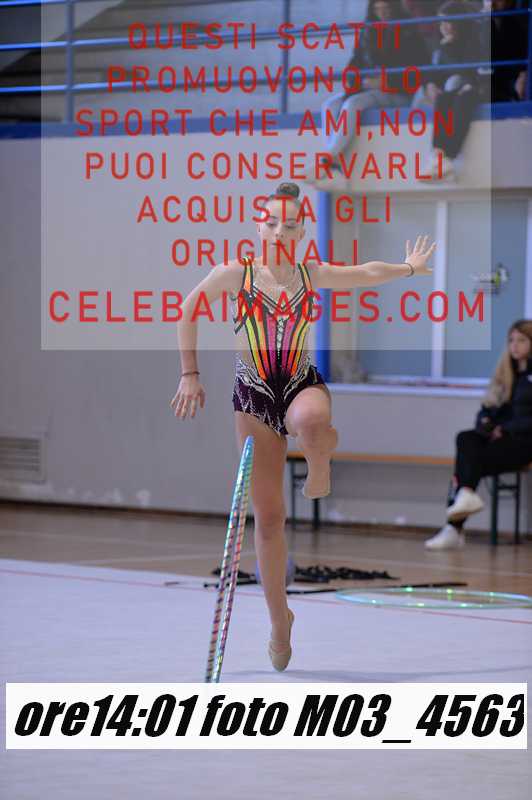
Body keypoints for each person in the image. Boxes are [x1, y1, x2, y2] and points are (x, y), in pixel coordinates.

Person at [170, 181, 436, 669]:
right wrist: (190, 374)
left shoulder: (310, 274)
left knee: (311, 419)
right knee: (270, 519)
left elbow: (364, 272)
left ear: (300, 232)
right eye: (271, 222)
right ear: (259, 226)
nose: (279, 231)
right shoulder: (236, 274)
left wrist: (408, 268)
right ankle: (280, 620)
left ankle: (318, 460)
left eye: (289, 225)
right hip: (253, 398)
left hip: (299, 383)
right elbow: (188, 308)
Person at [425, 319, 532, 550]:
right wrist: (485, 425)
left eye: (522, 340)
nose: (514, 346)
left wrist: (505, 429)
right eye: (511, 340)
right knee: (465, 438)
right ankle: (465, 496)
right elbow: (487, 409)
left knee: (467, 463)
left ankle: (454, 527)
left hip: (523, 442)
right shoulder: (505, 374)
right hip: (500, 439)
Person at [308, 0, 428, 192]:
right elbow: (354, 64)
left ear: (395, 8)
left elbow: (419, 73)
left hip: (399, 94)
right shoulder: (367, 32)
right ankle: (335, 167)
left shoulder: (409, 32)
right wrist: (357, 81)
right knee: (330, 105)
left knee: (353, 104)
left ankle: (326, 161)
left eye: (387, 9)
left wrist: (385, 82)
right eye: (378, 10)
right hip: (369, 89)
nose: (383, 13)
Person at [413, 0, 482, 180]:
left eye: (447, 21)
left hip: (475, 88)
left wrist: (447, 48)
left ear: (458, 22)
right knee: (442, 98)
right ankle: (437, 155)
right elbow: (433, 72)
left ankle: (447, 157)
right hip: (454, 91)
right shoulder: (443, 44)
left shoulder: (472, 38)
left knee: (457, 92)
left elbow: (467, 70)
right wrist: (430, 84)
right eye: (440, 22)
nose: (443, 27)